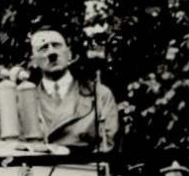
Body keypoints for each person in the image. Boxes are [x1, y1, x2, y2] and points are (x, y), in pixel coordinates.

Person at [26, 24, 119, 152]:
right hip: (40, 170)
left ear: (69, 54)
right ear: (34, 61)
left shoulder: (99, 95)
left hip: (84, 169)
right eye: (43, 48)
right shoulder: (26, 101)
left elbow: (108, 146)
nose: (52, 52)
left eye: (56, 45)